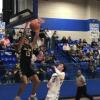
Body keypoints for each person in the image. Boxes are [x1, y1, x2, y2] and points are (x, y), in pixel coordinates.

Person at [15, 19, 42, 100]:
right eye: (24, 39)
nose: (26, 39)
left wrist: (38, 28)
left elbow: (36, 37)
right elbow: (23, 36)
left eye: (27, 39)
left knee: (37, 81)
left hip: (29, 66)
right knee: (25, 82)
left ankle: (32, 96)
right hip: (22, 66)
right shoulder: (20, 46)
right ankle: (18, 96)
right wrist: (26, 25)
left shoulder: (31, 46)